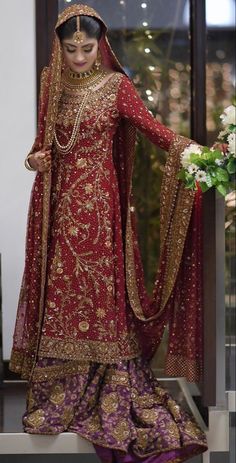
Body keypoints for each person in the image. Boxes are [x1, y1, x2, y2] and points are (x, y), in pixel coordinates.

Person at [9, 4, 208, 462]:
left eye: (88, 47)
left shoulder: (117, 87)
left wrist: (194, 152)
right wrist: (32, 160)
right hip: (61, 212)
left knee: (101, 298)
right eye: (71, 48)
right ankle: (63, 395)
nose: (80, 56)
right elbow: (41, 147)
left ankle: (110, 388)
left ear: (102, 46)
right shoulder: (51, 86)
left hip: (100, 211)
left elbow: (154, 131)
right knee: (63, 294)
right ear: (59, 47)